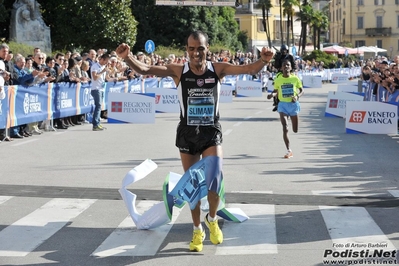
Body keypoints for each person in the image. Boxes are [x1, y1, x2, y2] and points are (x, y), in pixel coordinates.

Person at [115, 30, 274, 252]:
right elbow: (145, 69)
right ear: (186, 50)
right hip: (187, 133)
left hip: (211, 132)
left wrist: (264, 60)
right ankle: (197, 229)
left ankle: (212, 219)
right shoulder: (179, 71)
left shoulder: (218, 69)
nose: (195, 53)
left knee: (214, 180)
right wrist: (127, 57)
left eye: (200, 48)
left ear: (207, 48)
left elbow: (249, 69)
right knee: (193, 188)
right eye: (191, 48)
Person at [267, 59, 303, 159]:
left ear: (291, 67)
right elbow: (276, 91)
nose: (286, 67)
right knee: (285, 127)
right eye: (284, 65)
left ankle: (293, 124)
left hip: (293, 105)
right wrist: (271, 95)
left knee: (295, 130)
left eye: (288, 65)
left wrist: (297, 96)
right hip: (282, 105)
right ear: (281, 68)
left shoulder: (295, 79)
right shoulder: (278, 80)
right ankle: (289, 150)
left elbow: (301, 91)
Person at [271, 44, 296, 112]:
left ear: (287, 50)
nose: (283, 51)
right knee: (276, 86)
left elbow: (294, 66)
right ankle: (276, 102)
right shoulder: (279, 56)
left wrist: (291, 71)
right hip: (280, 73)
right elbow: (276, 66)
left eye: (285, 50)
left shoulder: (290, 57)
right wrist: (277, 58)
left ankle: (295, 98)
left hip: (289, 73)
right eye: (282, 50)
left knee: (294, 83)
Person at [90, 53, 110, 131]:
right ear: (102, 59)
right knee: (98, 106)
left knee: (99, 106)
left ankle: (98, 123)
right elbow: (94, 77)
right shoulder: (95, 66)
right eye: (106, 61)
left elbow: (105, 78)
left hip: (101, 89)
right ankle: (95, 124)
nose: (106, 63)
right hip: (96, 89)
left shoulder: (103, 67)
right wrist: (102, 71)